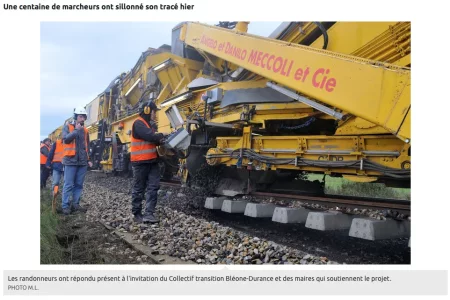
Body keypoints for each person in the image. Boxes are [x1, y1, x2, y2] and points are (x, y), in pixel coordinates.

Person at [131, 99, 165, 223]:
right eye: (154, 112)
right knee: (139, 188)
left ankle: (149, 213)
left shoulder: (149, 125)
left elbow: (154, 139)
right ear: (147, 110)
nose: (155, 115)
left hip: (152, 161)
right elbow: (150, 136)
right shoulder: (138, 123)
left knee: (153, 187)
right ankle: (137, 214)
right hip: (140, 162)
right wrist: (161, 135)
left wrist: (161, 139)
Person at [61, 106, 93, 215]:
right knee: (68, 184)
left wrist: (88, 159)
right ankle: (65, 206)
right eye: (80, 116)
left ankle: (75, 204)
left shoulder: (86, 131)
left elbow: (86, 147)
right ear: (75, 117)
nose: (82, 119)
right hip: (70, 161)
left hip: (82, 162)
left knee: (79, 185)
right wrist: (76, 130)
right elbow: (66, 140)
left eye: (84, 117)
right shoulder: (67, 127)